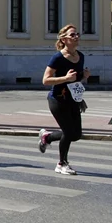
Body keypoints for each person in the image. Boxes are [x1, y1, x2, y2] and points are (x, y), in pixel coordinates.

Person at [36, 24, 89, 175]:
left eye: (77, 34)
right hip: (57, 100)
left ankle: (47, 137)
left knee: (76, 134)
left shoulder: (80, 56)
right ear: (64, 39)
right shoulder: (57, 58)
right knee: (67, 131)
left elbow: (75, 80)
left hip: (73, 100)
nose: (77, 37)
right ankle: (62, 164)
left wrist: (83, 77)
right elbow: (45, 80)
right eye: (72, 35)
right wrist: (65, 78)